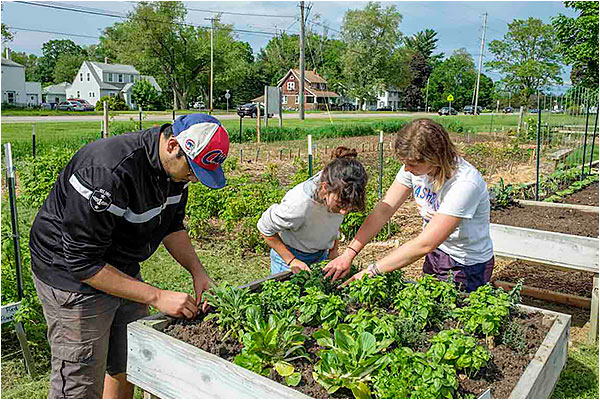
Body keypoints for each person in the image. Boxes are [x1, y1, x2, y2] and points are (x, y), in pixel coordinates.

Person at [29, 114, 229, 399]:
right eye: (194, 169)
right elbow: (82, 262)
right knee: (80, 379)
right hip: (69, 273)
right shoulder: (106, 172)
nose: (194, 178)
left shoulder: (175, 170)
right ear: (173, 145)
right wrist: (157, 297)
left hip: (118, 263)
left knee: (129, 360)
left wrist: (198, 272)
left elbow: (170, 225)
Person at [324, 118, 494, 292]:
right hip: (435, 254)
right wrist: (349, 253)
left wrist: (371, 271)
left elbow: (425, 243)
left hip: (466, 263)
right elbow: (384, 210)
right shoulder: (416, 169)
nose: (406, 169)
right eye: (404, 163)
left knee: (456, 314)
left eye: (411, 164)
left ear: (434, 157)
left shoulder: (464, 184)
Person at [257, 147, 368, 275]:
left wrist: (333, 250)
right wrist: (291, 260)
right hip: (289, 259)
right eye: (340, 205)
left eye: (349, 207)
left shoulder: (340, 186)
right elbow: (264, 228)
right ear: (325, 187)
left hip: (320, 255)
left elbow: (333, 223)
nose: (343, 212)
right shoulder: (298, 205)